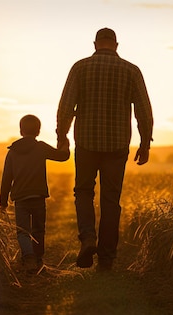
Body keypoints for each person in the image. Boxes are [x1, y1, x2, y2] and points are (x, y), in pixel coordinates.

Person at [56, 27, 154, 271]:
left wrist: (62, 136)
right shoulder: (131, 70)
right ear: (116, 44)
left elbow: (66, 106)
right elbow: (144, 112)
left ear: (95, 43)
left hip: (87, 143)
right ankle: (107, 258)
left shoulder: (80, 67)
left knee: (84, 192)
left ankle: (88, 238)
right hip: (117, 144)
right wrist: (144, 143)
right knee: (111, 200)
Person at [0, 114, 70, 274]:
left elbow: (6, 179)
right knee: (39, 230)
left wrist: (3, 202)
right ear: (38, 131)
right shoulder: (41, 147)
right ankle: (38, 260)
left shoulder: (12, 152)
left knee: (23, 231)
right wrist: (65, 143)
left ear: (20, 130)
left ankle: (29, 257)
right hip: (38, 197)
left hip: (21, 199)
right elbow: (63, 156)